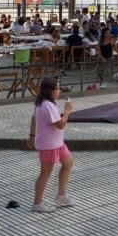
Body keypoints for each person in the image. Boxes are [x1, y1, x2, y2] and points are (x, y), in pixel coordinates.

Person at [26, 77, 74, 213]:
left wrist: (31, 136)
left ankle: (61, 196)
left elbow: (34, 118)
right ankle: (37, 203)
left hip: (57, 143)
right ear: (50, 91)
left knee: (68, 163)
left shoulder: (42, 103)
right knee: (45, 174)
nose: (59, 91)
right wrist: (68, 111)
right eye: (57, 89)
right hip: (49, 145)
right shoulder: (47, 105)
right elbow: (60, 125)